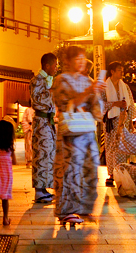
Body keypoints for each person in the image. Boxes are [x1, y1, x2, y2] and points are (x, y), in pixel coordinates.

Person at [51, 46, 103, 224]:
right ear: (68, 61)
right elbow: (67, 104)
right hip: (71, 132)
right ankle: (67, 209)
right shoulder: (61, 80)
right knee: (70, 169)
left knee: (90, 169)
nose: (81, 62)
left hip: (87, 130)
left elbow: (97, 109)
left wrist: (97, 94)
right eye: (77, 59)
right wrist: (90, 91)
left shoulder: (88, 80)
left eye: (83, 58)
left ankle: (84, 208)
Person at [100, 61, 136, 187]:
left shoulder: (125, 86)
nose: (122, 72)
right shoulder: (104, 87)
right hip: (111, 121)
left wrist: (132, 122)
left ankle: (121, 173)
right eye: (119, 70)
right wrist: (115, 104)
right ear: (112, 72)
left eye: (122, 70)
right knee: (111, 147)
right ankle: (111, 174)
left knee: (122, 147)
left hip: (124, 120)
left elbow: (130, 104)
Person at [29, 52, 58, 203]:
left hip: (48, 122)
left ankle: (44, 188)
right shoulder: (37, 80)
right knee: (41, 155)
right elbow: (37, 99)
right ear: (47, 66)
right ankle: (39, 191)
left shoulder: (47, 80)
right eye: (55, 65)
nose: (56, 68)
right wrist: (53, 92)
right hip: (41, 122)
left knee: (48, 155)